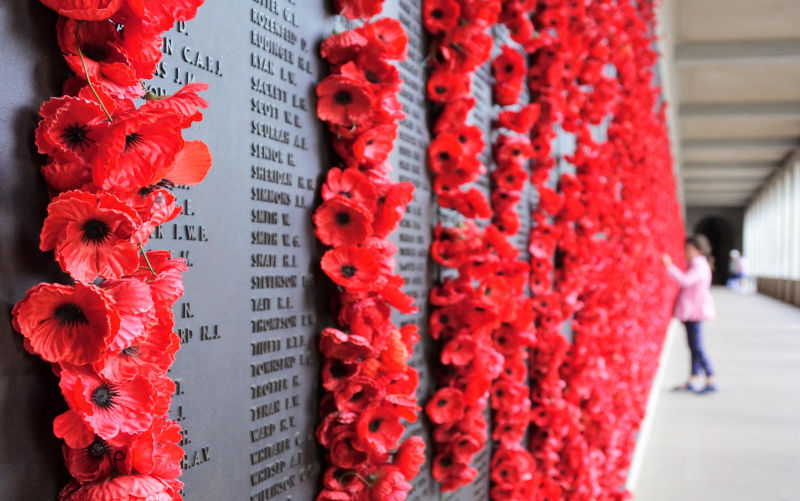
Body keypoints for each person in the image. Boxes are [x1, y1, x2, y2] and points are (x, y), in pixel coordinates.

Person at [662, 235, 717, 394]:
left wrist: (669, 266)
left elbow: (686, 281)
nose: (686, 252)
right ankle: (693, 379)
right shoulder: (697, 264)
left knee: (697, 346)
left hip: (695, 311)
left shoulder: (699, 265)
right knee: (693, 346)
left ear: (698, 250)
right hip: (693, 310)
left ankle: (711, 377)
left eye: (688, 249)